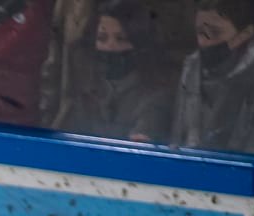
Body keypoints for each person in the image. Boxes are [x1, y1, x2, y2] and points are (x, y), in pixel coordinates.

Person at [172, 0, 254, 156]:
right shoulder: (192, 67)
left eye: (214, 33)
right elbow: (177, 141)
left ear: (245, 34)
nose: (203, 42)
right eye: (199, 31)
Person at [52, 0, 175, 140]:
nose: (110, 47)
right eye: (102, 38)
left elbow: (139, 148)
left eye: (121, 39)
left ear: (140, 44)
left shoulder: (156, 97)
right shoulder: (84, 90)